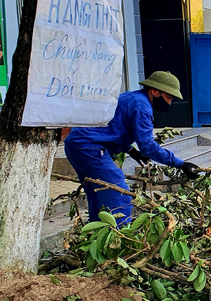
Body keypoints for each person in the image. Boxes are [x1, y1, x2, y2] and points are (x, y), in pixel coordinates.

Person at [64, 72, 200, 224]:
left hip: (76, 144)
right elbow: (148, 146)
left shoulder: (132, 97)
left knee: (98, 193)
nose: (168, 103)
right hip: (90, 147)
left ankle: (96, 239)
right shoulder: (142, 107)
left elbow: (112, 128)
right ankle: (121, 240)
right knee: (119, 195)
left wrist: (130, 150)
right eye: (168, 97)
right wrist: (181, 164)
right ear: (154, 91)